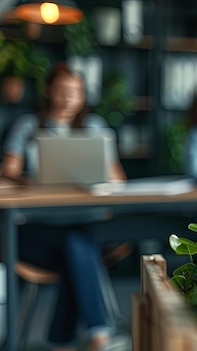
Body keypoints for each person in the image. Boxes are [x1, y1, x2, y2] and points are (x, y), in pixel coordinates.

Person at [1, 62, 126, 350]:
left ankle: (65, 340)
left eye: (76, 91)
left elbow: (118, 178)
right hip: (36, 229)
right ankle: (95, 333)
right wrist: (32, 180)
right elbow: (8, 170)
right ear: (48, 92)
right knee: (75, 245)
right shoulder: (28, 126)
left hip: (86, 221)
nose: (69, 98)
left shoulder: (95, 127)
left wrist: (100, 176)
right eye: (62, 91)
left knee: (75, 241)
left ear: (83, 95)